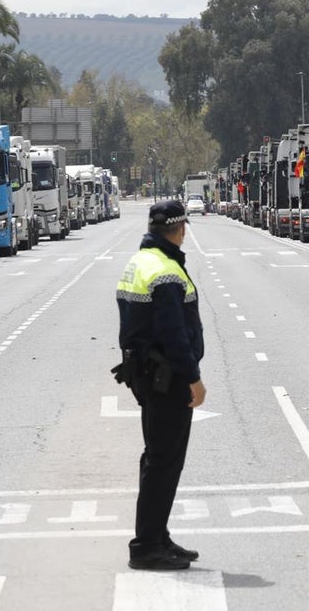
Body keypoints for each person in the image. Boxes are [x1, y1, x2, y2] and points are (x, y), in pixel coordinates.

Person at [115, 199, 205, 571]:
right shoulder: (166, 271)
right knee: (164, 462)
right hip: (167, 378)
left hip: (147, 376)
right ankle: (147, 546)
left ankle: (157, 535)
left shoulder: (141, 261)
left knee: (156, 459)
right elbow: (174, 335)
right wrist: (193, 380)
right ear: (180, 229)